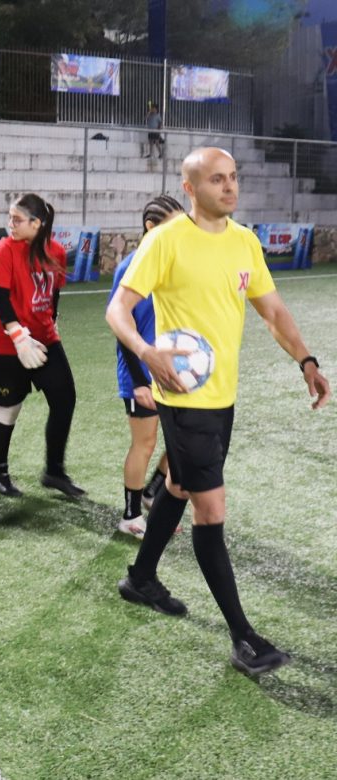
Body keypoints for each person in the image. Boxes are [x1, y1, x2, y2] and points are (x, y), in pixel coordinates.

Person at [106, 147, 331, 676]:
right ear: (191, 189)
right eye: (216, 180)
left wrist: (306, 359)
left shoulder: (244, 241)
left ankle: (140, 578)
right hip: (184, 401)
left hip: (222, 398)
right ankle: (244, 639)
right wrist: (146, 351)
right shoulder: (166, 241)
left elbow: (272, 310)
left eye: (233, 177)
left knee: (179, 487)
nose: (229, 187)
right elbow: (118, 308)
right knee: (210, 510)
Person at [0, 193, 84, 500]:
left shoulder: (56, 251)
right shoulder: (4, 249)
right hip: (6, 343)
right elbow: (0, 299)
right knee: (9, 407)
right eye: (10, 218)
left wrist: (52, 322)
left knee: (65, 399)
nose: (10, 224)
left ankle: (54, 471)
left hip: (45, 339)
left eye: (17, 219)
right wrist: (18, 336)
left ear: (37, 223)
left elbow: (54, 294)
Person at [107, 195, 184, 540]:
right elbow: (123, 327)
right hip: (139, 371)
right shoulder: (131, 267)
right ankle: (131, 515)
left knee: (185, 439)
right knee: (146, 442)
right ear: (151, 227)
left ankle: (153, 492)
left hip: (173, 370)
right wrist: (139, 380)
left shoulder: (175, 264)